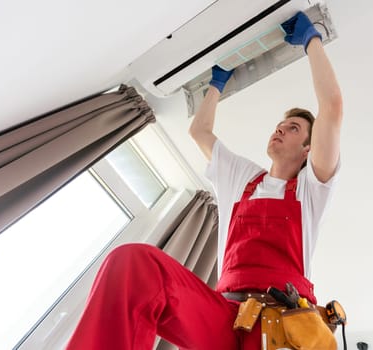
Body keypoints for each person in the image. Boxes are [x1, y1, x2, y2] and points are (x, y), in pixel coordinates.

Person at [66, 11, 342, 350]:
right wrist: (216, 84)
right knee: (132, 265)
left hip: (283, 327)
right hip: (224, 314)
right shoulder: (242, 178)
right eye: (280, 126)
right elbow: (199, 131)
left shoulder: (310, 189)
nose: (280, 129)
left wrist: (311, 40)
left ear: (307, 151)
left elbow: (332, 106)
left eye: (293, 129)